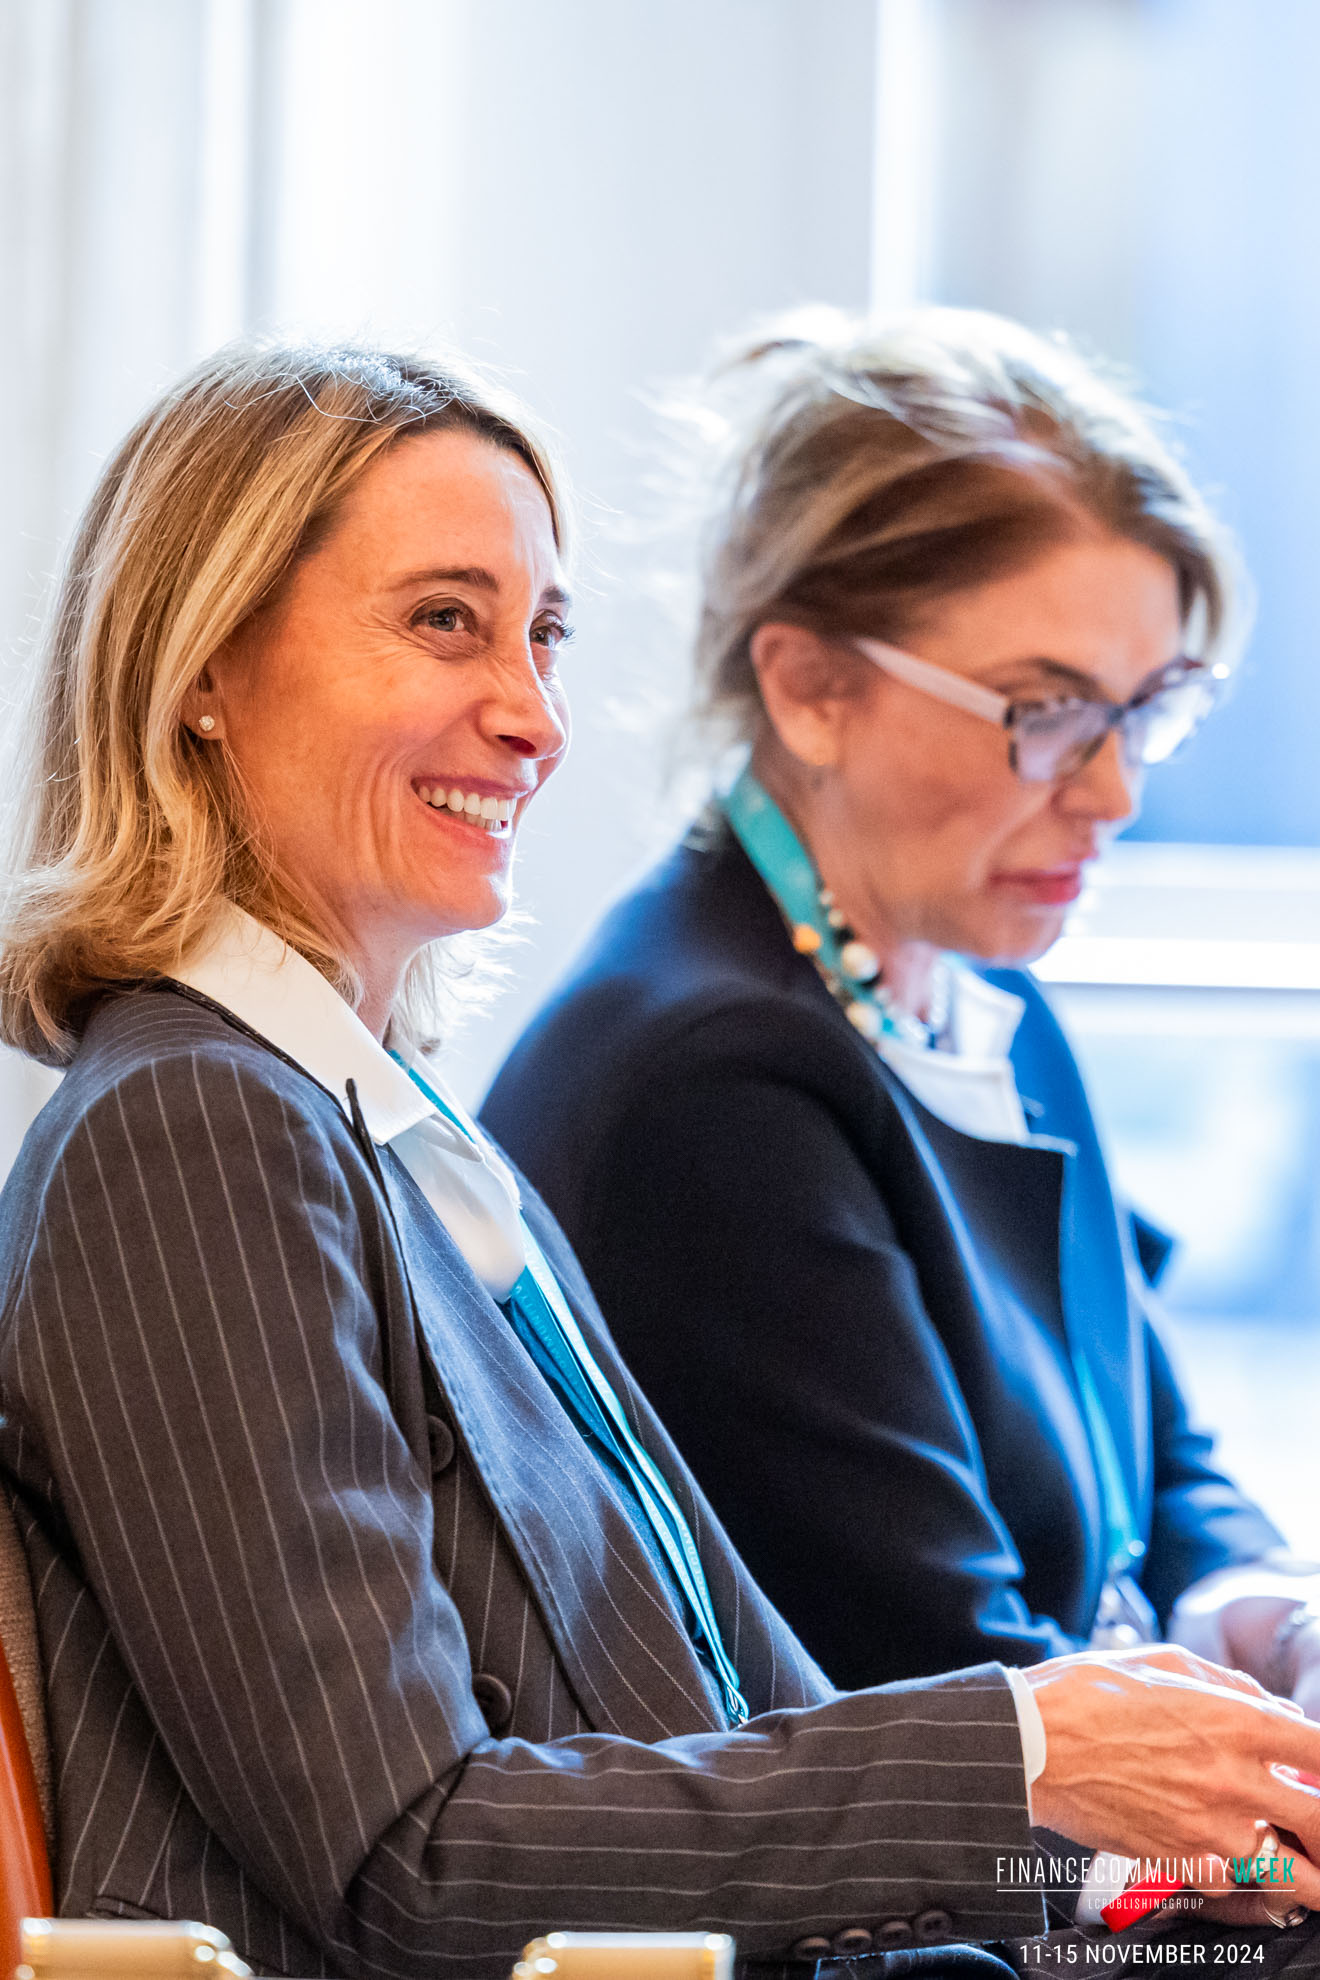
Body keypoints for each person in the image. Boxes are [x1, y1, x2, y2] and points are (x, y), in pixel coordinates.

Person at [1, 342, 1318, 1980]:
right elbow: (406, 1862)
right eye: (446, 620)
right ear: (203, 665)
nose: (533, 716)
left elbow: (747, 1714)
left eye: (544, 634)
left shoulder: (396, 1131)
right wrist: (1037, 1757)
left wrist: (1135, 1869)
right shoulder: (196, 1130)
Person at [481, 308, 1320, 1706]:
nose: (1115, 793)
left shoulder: (976, 988)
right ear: (810, 686)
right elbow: (965, 1704)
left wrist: (1259, 1602)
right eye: (1050, 712)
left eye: (1148, 710)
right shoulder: (714, 1088)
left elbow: (1152, 1440)